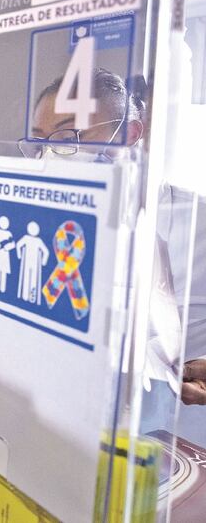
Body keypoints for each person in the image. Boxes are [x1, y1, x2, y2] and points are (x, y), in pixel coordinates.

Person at [26, 67, 206, 445]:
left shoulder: (196, 221)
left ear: (129, 134)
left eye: (68, 135)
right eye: (42, 140)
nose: (53, 153)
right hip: (65, 426)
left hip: (171, 438)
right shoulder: (48, 219)